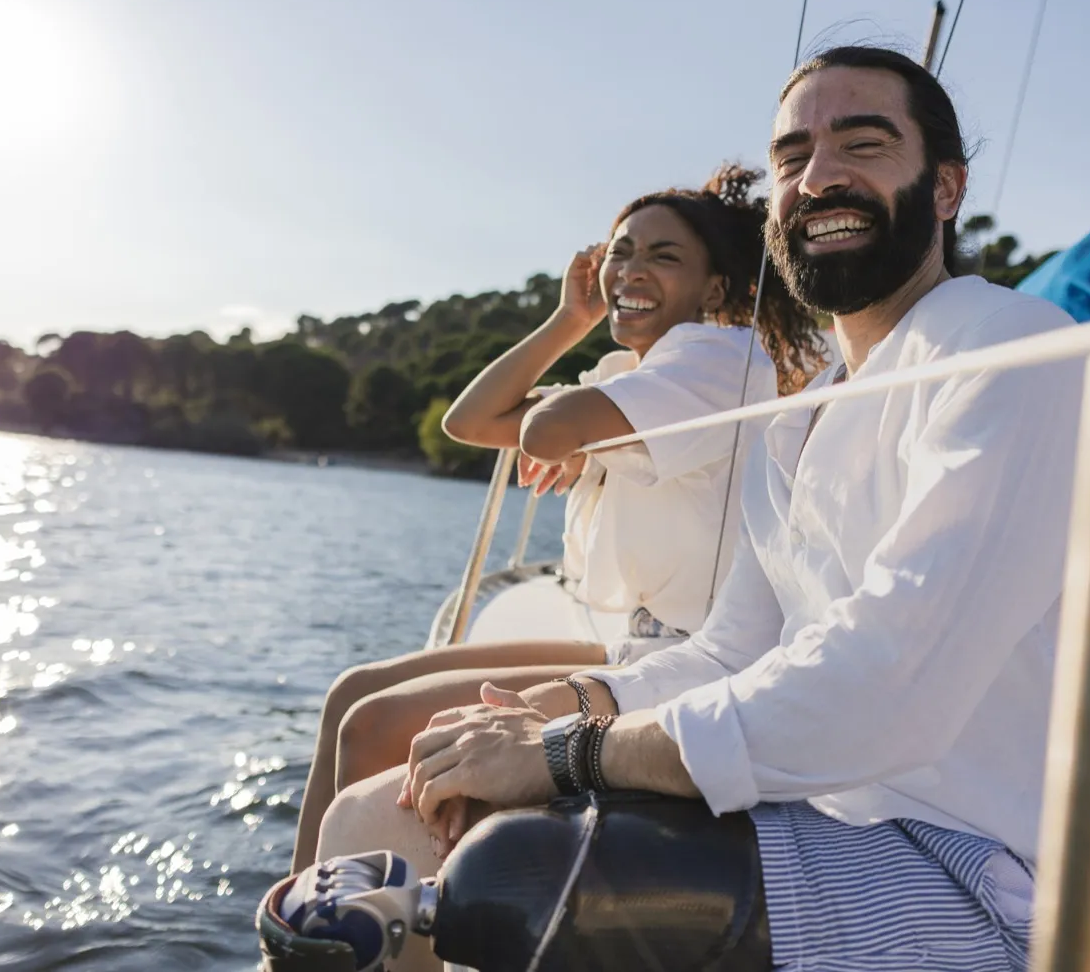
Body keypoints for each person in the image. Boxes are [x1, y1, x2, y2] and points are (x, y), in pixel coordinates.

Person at [310, 44, 1086, 972]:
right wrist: (550, 715)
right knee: (383, 811)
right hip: (808, 806)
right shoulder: (801, 416)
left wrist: (564, 753)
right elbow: (729, 653)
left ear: (946, 188)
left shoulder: (1006, 344)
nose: (819, 176)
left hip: (956, 864)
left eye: (865, 145)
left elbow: (889, 686)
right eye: (792, 157)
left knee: (508, 878)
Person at [288, 165, 826, 873]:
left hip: (697, 657)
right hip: (643, 644)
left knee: (371, 723)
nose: (631, 269)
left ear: (716, 289)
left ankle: (341, 921)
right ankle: (301, 925)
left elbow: (541, 434)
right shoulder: (635, 375)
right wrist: (569, 320)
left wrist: (573, 434)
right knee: (351, 694)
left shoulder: (717, 357)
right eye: (620, 253)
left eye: (663, 257)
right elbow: (469, 421)